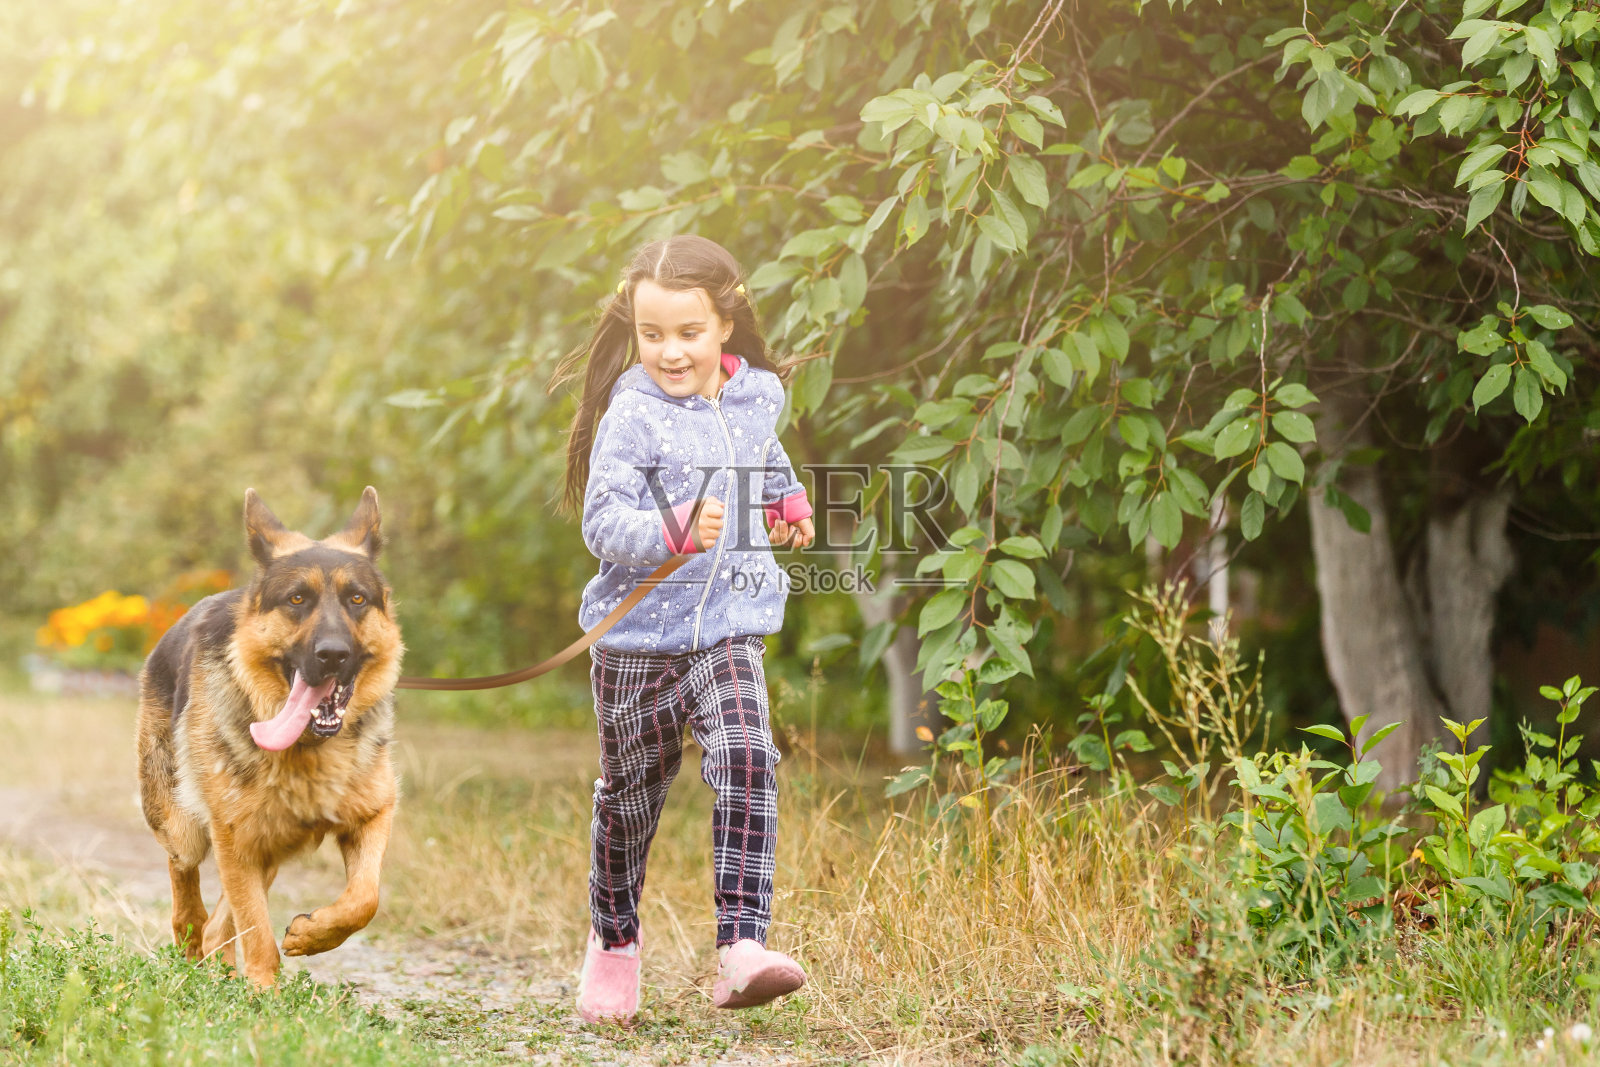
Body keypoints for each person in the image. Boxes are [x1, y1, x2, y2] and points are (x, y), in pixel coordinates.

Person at [549, 234, 817, 1025]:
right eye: (652, 333)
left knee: (746, 753)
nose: (670, 351)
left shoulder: (758, 394)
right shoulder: (631, 416)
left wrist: (786, 504)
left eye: (688, 333)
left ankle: (741, 946)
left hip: (729, 628)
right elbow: (603, 524)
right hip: (638, 646)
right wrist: (672, 528)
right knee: (630, 801)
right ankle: (614, 939)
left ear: (726, 323)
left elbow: (761, 456)